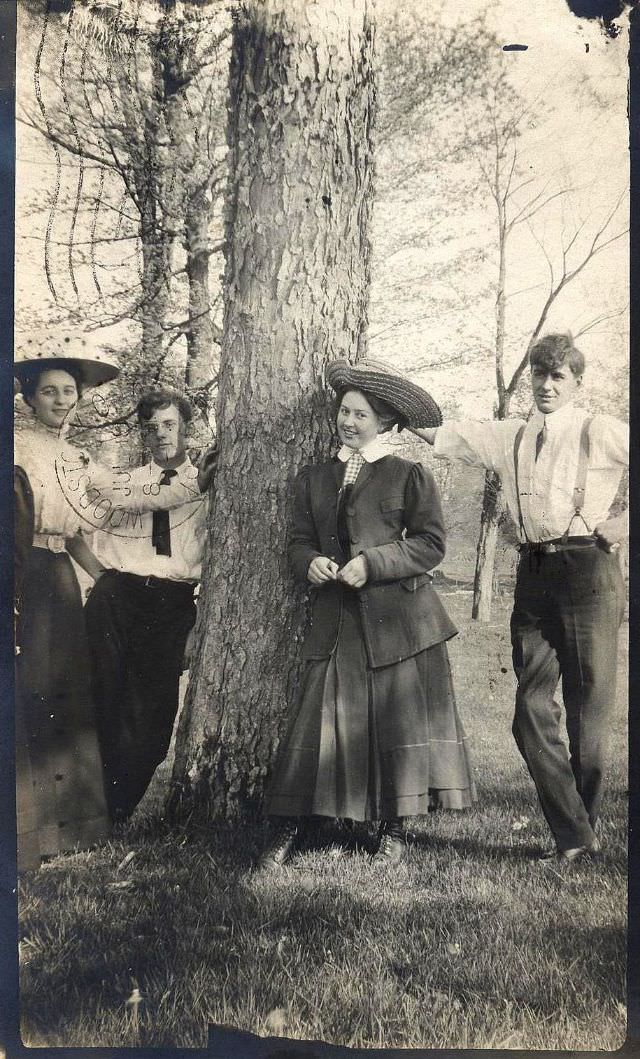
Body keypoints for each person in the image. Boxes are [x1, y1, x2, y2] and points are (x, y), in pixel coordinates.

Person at [416, 333, 628, 864]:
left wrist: (624, 521)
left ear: (576, 382)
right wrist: (385, 397)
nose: (546, 385)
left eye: (558, 376)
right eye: (539, 374)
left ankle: (578, 833)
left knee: (588, 709)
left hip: (589, 568)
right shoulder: (508, 435)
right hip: (534, 572)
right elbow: (440, 433)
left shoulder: (596, 430)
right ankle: (575, 829)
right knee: (530, 708)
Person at [259, 359, 476, 870]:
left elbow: (431, 544)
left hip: (398, 622)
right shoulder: (316, 477)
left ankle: (394, 829)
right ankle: (296, 825)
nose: (348, 421)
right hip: (336, 620)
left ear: (386, 423)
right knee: (317, 721)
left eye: (360, 414)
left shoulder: (409, 474)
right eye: (344, 412)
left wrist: (373, 563)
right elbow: (297, 541)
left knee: (395, 724)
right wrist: (309, 562)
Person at [13, 338, 120, 868]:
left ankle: (74, 827)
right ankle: (30, 831)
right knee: (30, 686)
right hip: (20, 575)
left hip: (59, 578)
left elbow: (75, 533)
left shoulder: (77, 459)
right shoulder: (15, 449)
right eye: (48, 391)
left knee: (67, 687)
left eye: (68, 391)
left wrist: (104, 579)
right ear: (29, 399)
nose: (60, 400)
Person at [84, 388, 212, 823]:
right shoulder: (124, 484)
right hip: (117, 597)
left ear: (185, 427)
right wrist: (105, 583)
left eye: (169, 424)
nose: (161, 435)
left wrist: (200, 622)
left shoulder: (209, 488)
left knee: (154, 715)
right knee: (103, 699)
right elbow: (85, 527)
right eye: (151, 427)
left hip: (172, 603)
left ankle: (118, 806)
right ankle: (98, 811)